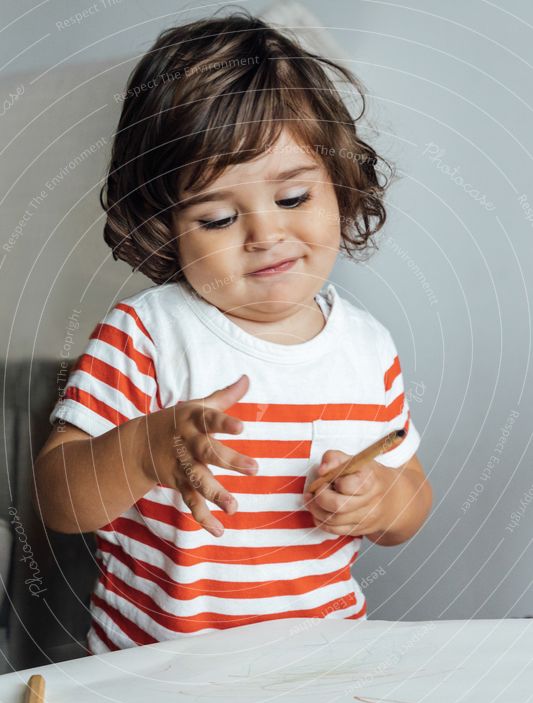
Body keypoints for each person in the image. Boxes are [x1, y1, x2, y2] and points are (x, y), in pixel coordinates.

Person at [33, 11, 432, 654]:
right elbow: (59, 499)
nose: (265, 235)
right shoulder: (147, 335)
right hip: (157, 679)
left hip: (322, 664)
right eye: (218, 217)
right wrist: (143, 452)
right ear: (166, 227)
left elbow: (410, 495)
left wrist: (380, 502)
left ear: (338, 185)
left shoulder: (367, 348)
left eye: (294, 198)